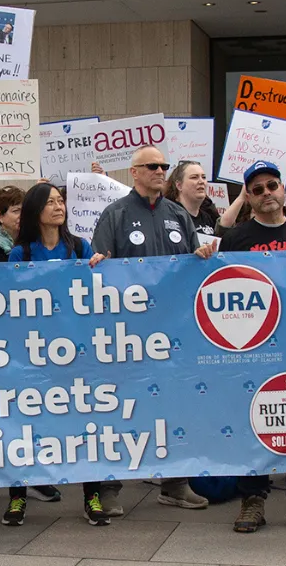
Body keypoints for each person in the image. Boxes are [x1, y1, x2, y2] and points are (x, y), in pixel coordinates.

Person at [92, 145, 215, 515]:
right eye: (153, 166)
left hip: (172, 332)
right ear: (135, 172)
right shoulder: (114, 214)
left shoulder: (178, 213)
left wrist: (202, 258)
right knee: (120, 408)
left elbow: (192, 268)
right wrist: (97, 263)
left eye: (164, 165)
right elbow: (100, 270)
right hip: (128, 334)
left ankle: (175, 483)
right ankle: (110, 487)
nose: (161, 170)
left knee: (173, 405)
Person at [221, 161, 286, 532]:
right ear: (248, 197)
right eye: (258, 189)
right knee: (253, 417)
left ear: (283, 190)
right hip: (255, 343)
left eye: (272, 185)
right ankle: (253, 499)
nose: (267, 193)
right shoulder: (236, 240)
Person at [0, 183, 108, 525]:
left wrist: (99, 269)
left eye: (61, 201)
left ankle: (92, 495)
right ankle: (18, 496)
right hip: (33, 354)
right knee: (25, 424)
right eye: (51, 202)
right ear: (36, 210)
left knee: (85, 423)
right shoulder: (22, 255)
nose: (59, 207)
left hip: (77, 352)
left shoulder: (79, 247)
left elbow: (97, 292)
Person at [163, 161, 219, 237]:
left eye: (204, 177)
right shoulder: (170, 217)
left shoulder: (208, 217)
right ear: (179, 185)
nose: (201, 181)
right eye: (194, 177)